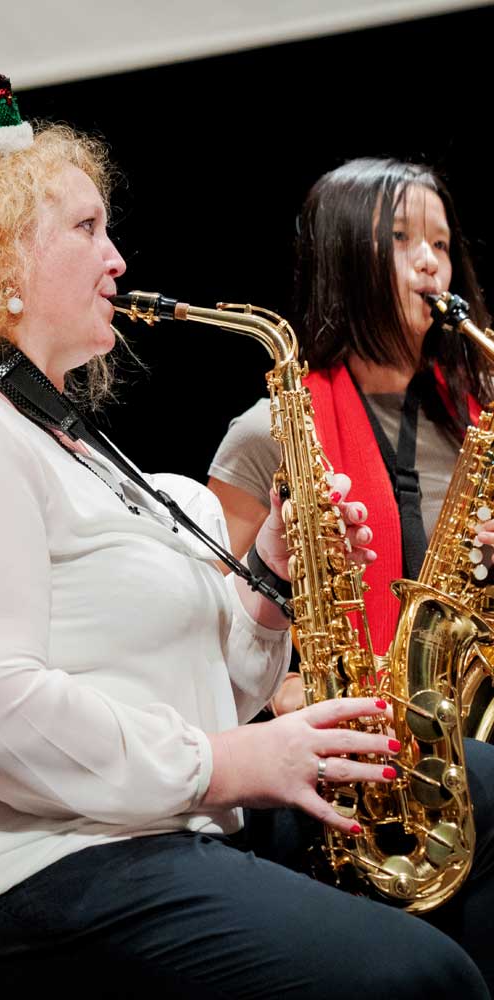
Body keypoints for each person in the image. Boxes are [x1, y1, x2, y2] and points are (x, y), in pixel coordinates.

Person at [0, 77, 494, 1000]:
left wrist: (270, 576)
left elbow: (208, 689)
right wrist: (226, 763)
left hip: (153, 829)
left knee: (478, 791)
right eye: (87, 229)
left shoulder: (73, 446)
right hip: (6, 883)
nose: (117, 258)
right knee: (417, 979)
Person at [208, 157, 494, 712]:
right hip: (348, 749)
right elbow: (210, 620)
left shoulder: (478, 417)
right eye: (401, 238)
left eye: (440, 244)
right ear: (343, 257)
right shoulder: (270, 432)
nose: (431, 263)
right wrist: (286, 693)